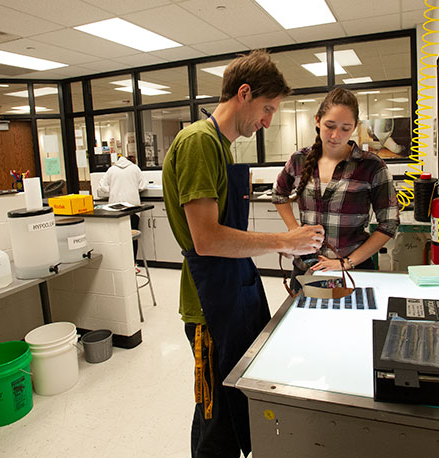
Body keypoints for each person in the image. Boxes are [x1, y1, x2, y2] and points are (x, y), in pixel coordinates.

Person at [162, 50, 324, 458]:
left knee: (226, 406)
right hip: (209, 300)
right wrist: (284, 241)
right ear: (244, 93)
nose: (268, 121)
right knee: (218, 419)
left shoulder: (222, 146)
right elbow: (208, 240)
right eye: (267, 109)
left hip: (233, 287)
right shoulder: (199, 142)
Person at [272, 87, 399, 287]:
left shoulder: (372, 166)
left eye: (345, 128)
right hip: (307, 269)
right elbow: (279, 194)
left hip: (353, 272)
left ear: (355, 127)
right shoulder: (299, 160)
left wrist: (346, 262)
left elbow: (389, 223)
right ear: (317, 120)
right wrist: (294, 230)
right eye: (329, 126)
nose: (335, 135)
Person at [97, 156, 146, 259]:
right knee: (133, 236)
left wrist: (112, 190)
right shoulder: (135, 168)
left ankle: (121, 264)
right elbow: (143, 185)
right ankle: (133, 263)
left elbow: (102, 186)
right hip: (133, 207)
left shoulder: (111, 170)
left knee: (117, 237)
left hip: (115, 208)